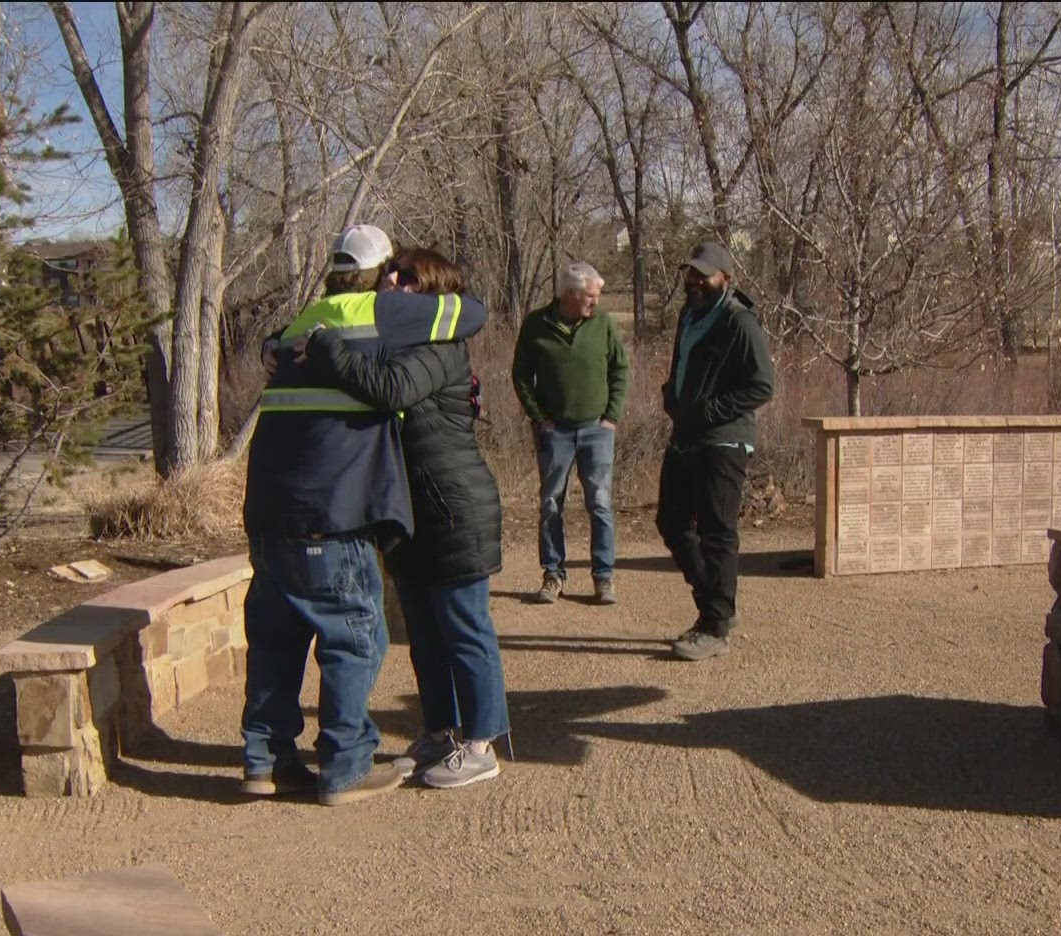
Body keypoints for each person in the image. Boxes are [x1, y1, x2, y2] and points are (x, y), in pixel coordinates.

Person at [239, 224, 485, 806]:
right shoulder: (382, 314)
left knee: (275, 643)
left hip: (268, 511)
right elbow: (471, 312)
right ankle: (346, 766)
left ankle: (265, 763)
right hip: (333, 510)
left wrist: (266, 346)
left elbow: (276, 348)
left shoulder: (304, 320)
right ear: (378, 277)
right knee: (353, 639)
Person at [300, 247, 507, 790]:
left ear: (432, 290)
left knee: (465, 629)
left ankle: (482, 742)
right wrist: (281, 348)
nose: (391, 279)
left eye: (406, 276)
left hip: (454, 509)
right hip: (411, 511)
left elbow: (387, 389)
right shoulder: (394, 344)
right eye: (390, 271)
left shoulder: (439, 346)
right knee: (424, 634)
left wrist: (321, 343)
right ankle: (441, 731)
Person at [657, 240, 775, 661]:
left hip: (724, 439)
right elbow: (683, 367)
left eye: (703, 274)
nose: (694, 280)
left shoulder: (738, 322)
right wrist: (672, 395)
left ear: (724, 278)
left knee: (716, 532)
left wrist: (711, 409)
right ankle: (717, 604)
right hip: (687, 435)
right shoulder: (688, 315)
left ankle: (715, 626)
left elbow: (762, 385)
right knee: (671, 522)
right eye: (690, 272)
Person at [511, 260, 629, 605]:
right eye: (590, 297)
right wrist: (538, 417)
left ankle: (603, 577)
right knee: (550, 504)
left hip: (597, 429)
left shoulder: (603, 324)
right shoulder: (536, 324)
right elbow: (520, 375)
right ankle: (553, 574)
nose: (596, 303)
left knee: (601, 503)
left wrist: (612, 416)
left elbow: (620, 369)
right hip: (555, 432)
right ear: (570, 295)